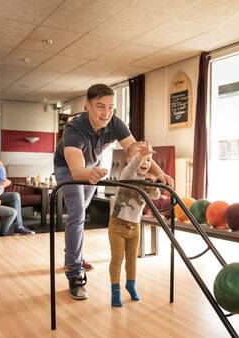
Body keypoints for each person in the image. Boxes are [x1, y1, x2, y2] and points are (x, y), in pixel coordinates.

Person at [54, 84, 174, 300]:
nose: (106, 113)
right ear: (87, 106)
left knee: (81, 212)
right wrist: (88, 174)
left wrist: (161, 174)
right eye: (100, 107)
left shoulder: (115, 123)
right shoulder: (74, 130)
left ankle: (73, 257)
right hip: (69, 168)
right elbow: (76, 169)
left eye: (111, 108)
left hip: (93, 167)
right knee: (78, 213)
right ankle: (74, 272)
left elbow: (138, 151)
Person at [108, 141, 160, 307]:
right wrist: (141, 155)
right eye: (142, 159)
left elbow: (157, 195)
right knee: (117, 258)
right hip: (117, 225)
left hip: (135, 226)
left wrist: (155, 181)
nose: (145, 163)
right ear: (130, 160)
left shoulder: (145, 181)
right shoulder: (126, 175)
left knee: (132, 258)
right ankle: (115, 290)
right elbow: (133, 165)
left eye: (149, 160)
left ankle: (131, 285)